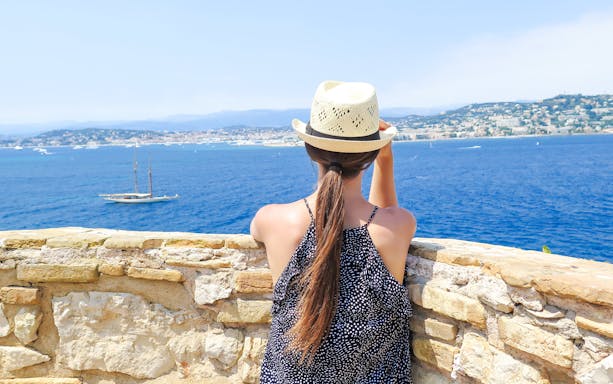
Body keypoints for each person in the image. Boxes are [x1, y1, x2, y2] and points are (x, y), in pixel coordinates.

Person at [250, 80, 417, 383]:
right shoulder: (397, 225)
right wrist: (386, 159)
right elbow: (383, 216)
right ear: (371, 153)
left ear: (309, 148)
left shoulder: (272, 220)